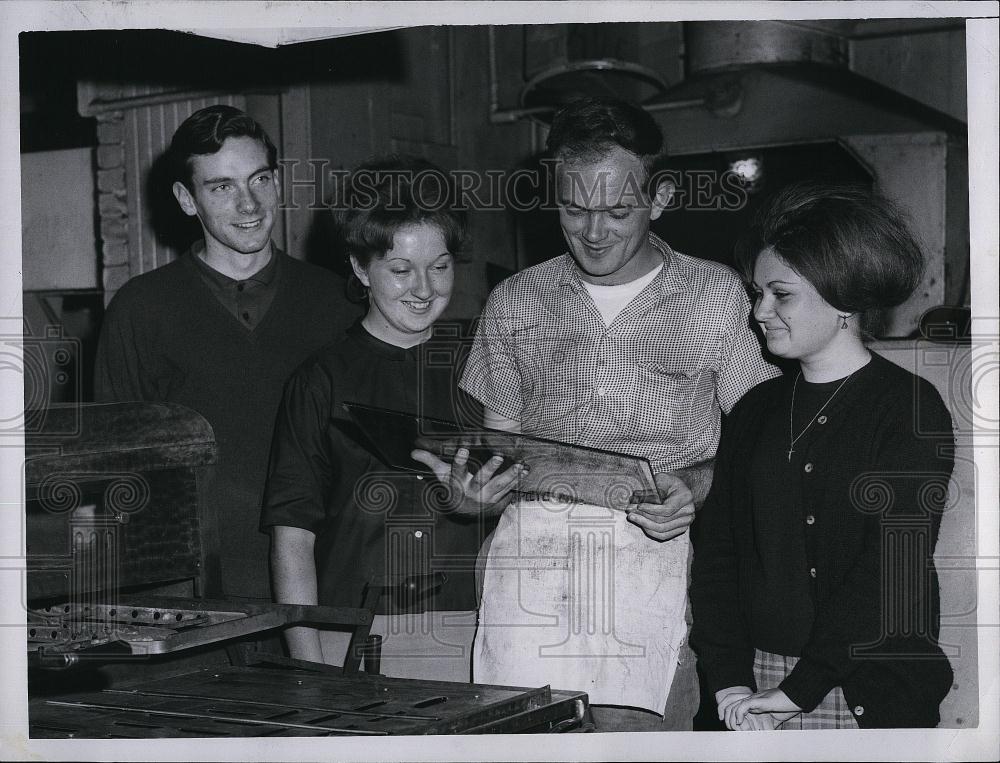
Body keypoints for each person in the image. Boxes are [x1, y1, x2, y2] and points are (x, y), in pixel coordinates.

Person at [451, 96, 778, 730]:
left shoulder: (715, 296)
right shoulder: (516, 301)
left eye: (617, 211)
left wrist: (696, 483)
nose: (593, 232)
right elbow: (501, 451)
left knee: (636, 737)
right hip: (534, 566)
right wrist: (474, 490)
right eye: (573, 210)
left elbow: (761, 441)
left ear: (660, 199)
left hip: (655, 559)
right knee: (520, 737)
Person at [689, 182, 955, 730]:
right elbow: (718, 553)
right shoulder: (754, 408)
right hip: (752, 685)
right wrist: (729, 679)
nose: (758, 311)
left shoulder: (907, 407)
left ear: (844, 301)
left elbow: (892, 568)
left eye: (780, 294)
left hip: (857, 688)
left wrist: (796, 692)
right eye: (755, 292)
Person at [261, 157, 517, 680]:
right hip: (351, 633)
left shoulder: (487, 358)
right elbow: (293, 535)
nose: (424, 288)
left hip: (472, 626)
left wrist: (481, 505)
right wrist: (308, 667)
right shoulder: (320, 380)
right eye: (400, 270)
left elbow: (526, 487)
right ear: (360, 267)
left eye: (440, 266)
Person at [94, 105, 358, 602]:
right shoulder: (141, 309)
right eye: (221, 187)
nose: (249, 204)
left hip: (318, 586)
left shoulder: (337, 302)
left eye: (260, 180)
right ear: (186, 200)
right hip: (187, 592)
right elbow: (118, 474)